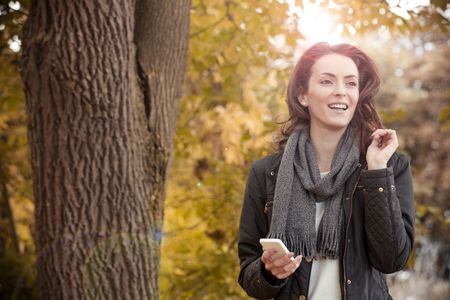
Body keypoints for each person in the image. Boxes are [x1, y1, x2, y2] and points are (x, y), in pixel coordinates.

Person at [237, 42, 414, 300]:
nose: (341, 92)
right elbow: (248, 276)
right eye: (327, 82)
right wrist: (269, 272)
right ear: (302, 95)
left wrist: (377, 171)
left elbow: (392, 260)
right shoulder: (267, 173)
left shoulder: (389, 165)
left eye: (351, 83)